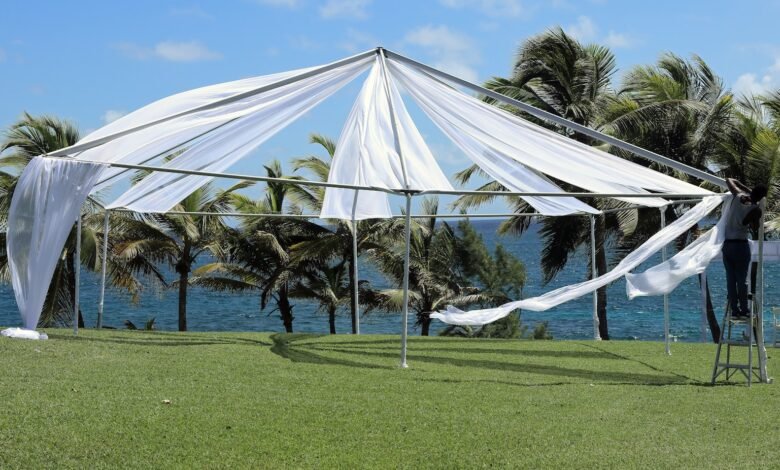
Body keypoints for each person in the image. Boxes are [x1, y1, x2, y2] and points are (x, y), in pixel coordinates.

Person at [723, 178, 767, 318]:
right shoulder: (755, 210)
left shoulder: (738, 196)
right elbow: (755, 229)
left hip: (727, 245)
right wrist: (757, 216)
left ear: (752, 190)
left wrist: (746, 189)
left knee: (731, 279)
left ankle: (734, 310)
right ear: (762, 197)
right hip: (740, 245)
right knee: (742, 280)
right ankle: (743, 309)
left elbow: (729, 180)